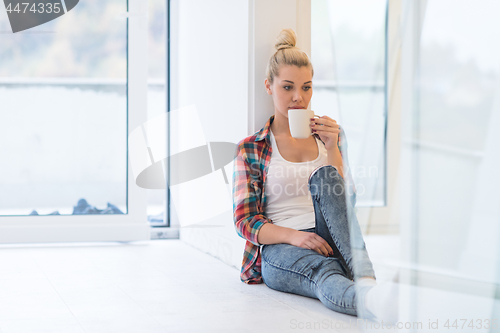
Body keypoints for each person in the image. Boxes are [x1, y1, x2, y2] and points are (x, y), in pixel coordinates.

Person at [232, 28, 398, 322]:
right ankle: (371, 299)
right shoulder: (252, 147)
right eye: (288, 87)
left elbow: (347, 204)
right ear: (269, 86)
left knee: (326, 177)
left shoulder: (329, 136)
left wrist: (333, 148)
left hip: (333, 236)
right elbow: (245, 221)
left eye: (307, 87)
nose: (299, 98)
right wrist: (295, 237)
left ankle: (366, 280)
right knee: (325, 270)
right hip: (282, 245)